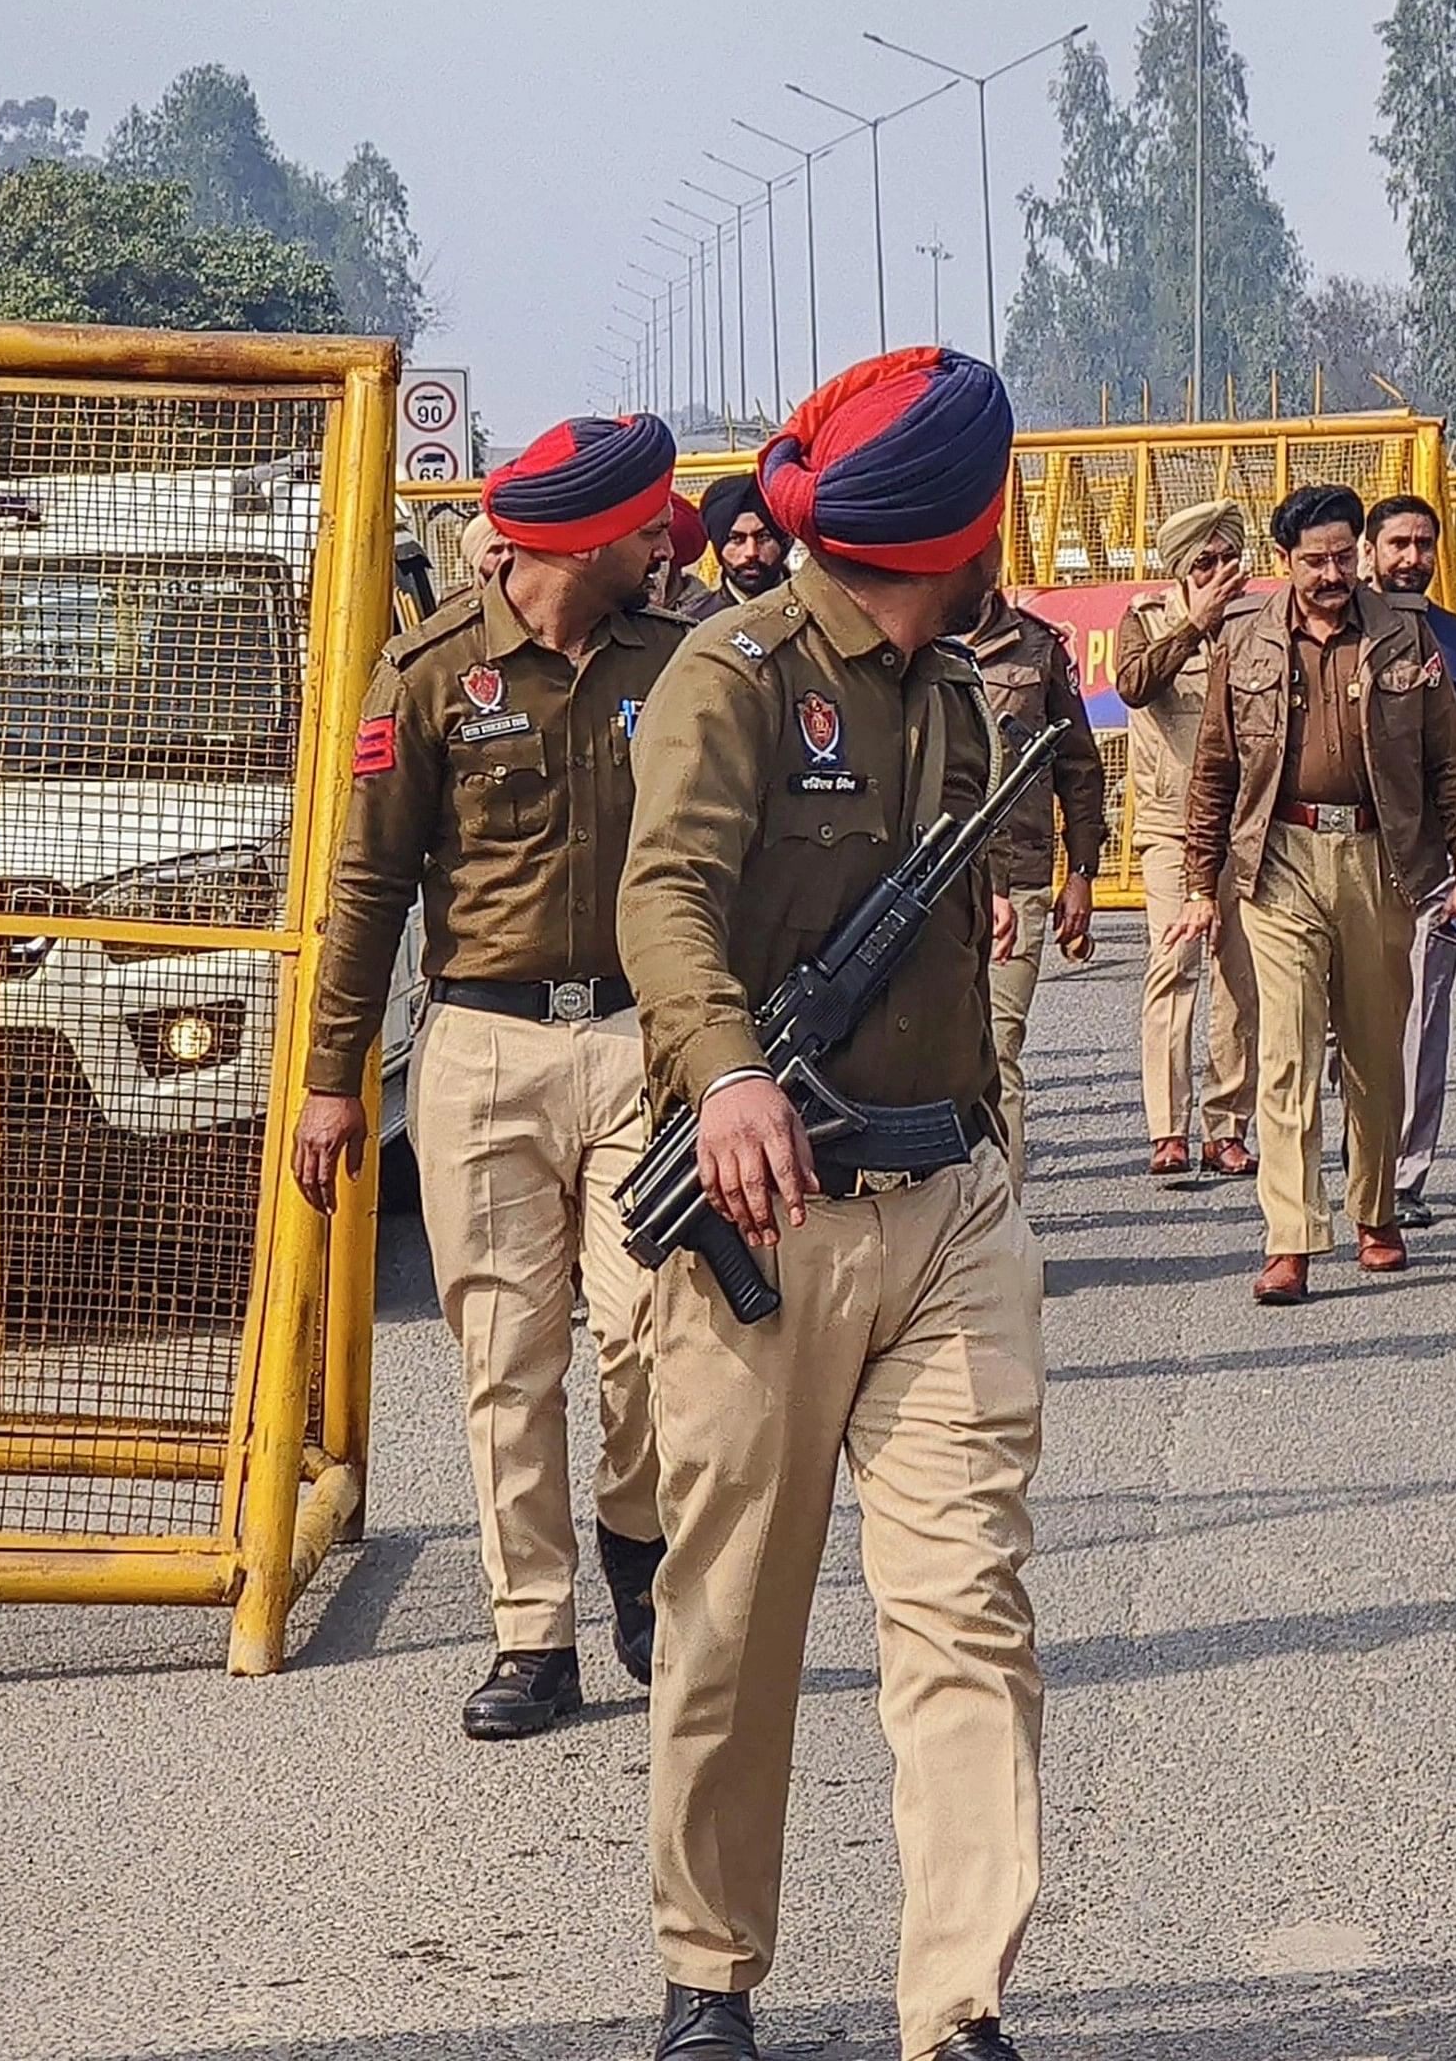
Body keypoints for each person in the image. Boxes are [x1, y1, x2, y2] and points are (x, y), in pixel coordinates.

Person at [618, 347, 1050, 2061]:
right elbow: (665, 892)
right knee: (732, 1614)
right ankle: (708, 1972)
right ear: (960, 520)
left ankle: (955, 2004)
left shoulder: (956, 697)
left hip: (942, 1195)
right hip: (767, 1213)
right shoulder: (733, 674)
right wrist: (725, 1072)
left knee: (967, 1608)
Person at [293, 416, 688, 1742]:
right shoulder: (424, 676)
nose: (664, 535)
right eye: (643, 520)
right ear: (580, 539)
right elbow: (365, 886)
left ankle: (635, 1541)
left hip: (647, 1043)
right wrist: (332, 1077)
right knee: (507, 1362)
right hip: (484, 1051)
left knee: (655, 1333)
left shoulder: (680, 662)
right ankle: (533, 1635)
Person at [1172, 482, 1456, 1306]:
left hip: (1380, 863)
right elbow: (1212, 769)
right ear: (1286, 562)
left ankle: (1375, 1212)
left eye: (1342, 557)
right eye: (1314, 560)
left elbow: (1450, 762)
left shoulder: (1403, 636)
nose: (1331, 574)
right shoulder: (1243, 640)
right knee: (1282, 1052)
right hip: (1278, 861)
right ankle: (1290, 1237)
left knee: (1372, 1049)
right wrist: (1200, 887)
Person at [1364, 491, 1456, 1228]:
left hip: (1434, 871)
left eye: (1423, 544)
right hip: (1345, 857)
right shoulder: (1339, 635)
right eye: (1397, 544)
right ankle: (1352, 1160)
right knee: (1342, 1024)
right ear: (1370, 552)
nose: (1410, 558)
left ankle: (1401, 1179)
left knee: (1420, 1020)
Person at [1114, 498, 1261, 1183]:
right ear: (1180, 569)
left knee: (1244, 978)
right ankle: (1166, 1128)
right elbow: (1135, 686)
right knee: (1173, 968)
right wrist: (1192, 626)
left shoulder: (1261, 623)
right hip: (1172, 827)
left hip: (1249, 826)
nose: (1217, 573)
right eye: (1203, 562)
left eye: (1228, 559)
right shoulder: (1144, 621)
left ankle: (1226, 1125)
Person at [961, 581, 1108, 1141]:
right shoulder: (911, 636)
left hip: (1019, 873)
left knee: (998, 1050)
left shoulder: (1037, 646)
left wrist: (1083, 871)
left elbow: (1079, 767)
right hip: (924, 879)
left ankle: (1004, 1218)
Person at [675, 473, 792, 619]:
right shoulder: (694, 625)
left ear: (785, 541)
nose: (751, 552)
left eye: (763, 537)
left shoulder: (819, 614)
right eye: (736, 539)